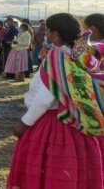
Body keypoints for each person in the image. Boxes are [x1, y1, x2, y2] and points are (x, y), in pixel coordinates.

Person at [8, 13, 104, 189]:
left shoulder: (57, 58)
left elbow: (46, 98)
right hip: (77, 126)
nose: (47, 35)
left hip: (54, 123)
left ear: (54, 35)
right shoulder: (78, 57)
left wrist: (24, 122)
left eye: (49, 32)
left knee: (47, 172)